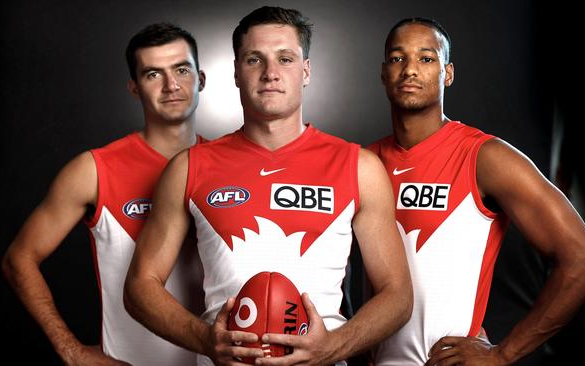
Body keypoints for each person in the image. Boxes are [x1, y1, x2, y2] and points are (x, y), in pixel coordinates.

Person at [123, 6, 412, 366]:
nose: (271, 73)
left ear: (306, 71)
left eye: (286, 59)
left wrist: (333, 347)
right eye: (254, 60)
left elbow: (397, 295)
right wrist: (204, 339)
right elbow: (139, 286)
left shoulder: (359, 167)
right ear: (236, 73)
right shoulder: (189, 167)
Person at [367, 17, 585, 365]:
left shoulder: (484, 157)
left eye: (426, 58)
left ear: (447, 74)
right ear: (384, 73)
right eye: (397, 58)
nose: (410, 71)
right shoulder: (364, 163)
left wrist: (503, 354)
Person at [1, 23, 206, 365]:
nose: (171, 85)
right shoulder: (94, 170)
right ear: (134, 88)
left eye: (181, 70)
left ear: (200, 78)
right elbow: (18, 259)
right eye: (153, 74)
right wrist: (72, 351)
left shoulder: (228, 167)